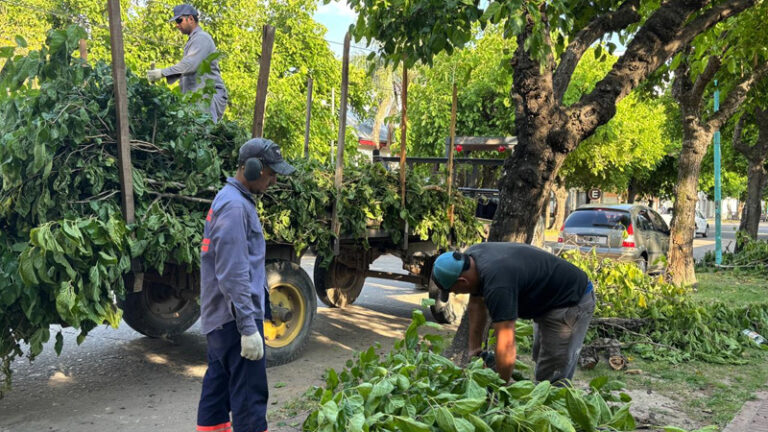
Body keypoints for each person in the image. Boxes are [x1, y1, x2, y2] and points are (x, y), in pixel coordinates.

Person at [197, 138, 295, 432]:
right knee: (250, 399)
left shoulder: (230, 199)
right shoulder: (234, 207)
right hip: (234, 321)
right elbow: (233, 273)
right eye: (271, 173)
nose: (274, 180)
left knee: (217, 392)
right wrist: (248, 328)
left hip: (221, 319)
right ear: (252, 168)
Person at [431, 242, 595, 385]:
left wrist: (501, 386)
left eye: (454, 290)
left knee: (553, 375)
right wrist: (474, 350)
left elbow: (506, 342)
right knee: (540, 356)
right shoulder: (472, 258)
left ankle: (554, 406)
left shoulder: (498, 285)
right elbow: (476, 304)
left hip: (571, 301)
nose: (456, 294)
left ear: (463, 281)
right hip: (547, 301)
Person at [147, 4, 228, 122]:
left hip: (207, 96)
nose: (177, 25)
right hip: (196, 98)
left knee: (201, 129)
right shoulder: (193, 40)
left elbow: (189, 65)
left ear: (190, 19)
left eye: (179, 20)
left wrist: (162, 73)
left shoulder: (202, 38)